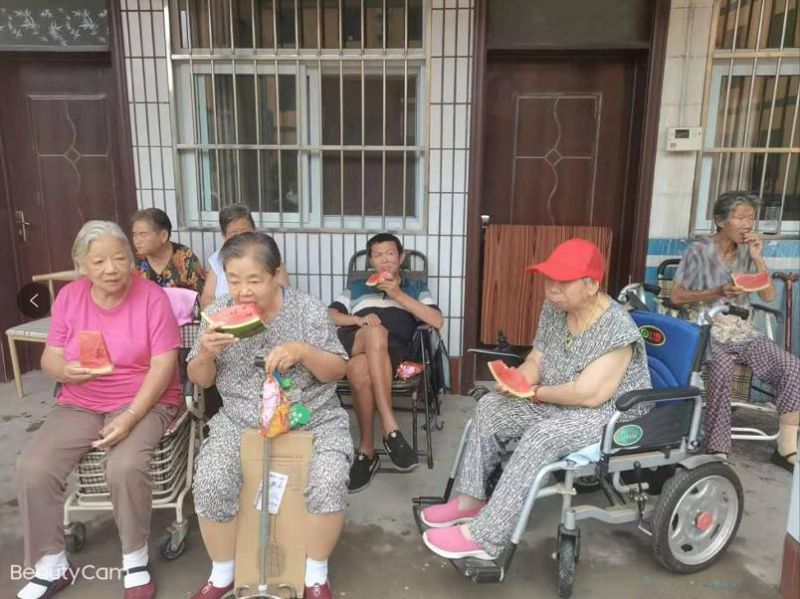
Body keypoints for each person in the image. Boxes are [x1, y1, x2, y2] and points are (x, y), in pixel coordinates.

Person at [420, 238, 651, 561]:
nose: (552, 288)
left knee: (541, 437)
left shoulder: (617, 329)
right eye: (549, 279)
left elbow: (589, 394)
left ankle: (486, 537)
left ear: (591, 285)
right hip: (558, 399)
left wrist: (534, 392)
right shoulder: (555, 308)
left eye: (563, 281)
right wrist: (520, 378)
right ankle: (470, 501)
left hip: (608, 413)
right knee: (491, 406)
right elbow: (537, 357)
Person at [15, 221, 182, 599]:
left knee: (125, 466)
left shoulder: (152, 298)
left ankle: (134, 558)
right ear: (82, 265)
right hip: (81, 400)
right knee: (33, 468)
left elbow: (164, 365)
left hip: (144, 400)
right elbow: (50, 357)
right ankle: (51, 563)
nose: (111, 269)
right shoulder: (70, 297)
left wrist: (132, 416)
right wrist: (63, 371)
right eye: (99, 261)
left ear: (131, 260)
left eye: (119, 258)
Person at [186, 232, 351, 599]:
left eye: (254, 280)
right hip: (241, 420)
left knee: (328, 480)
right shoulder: (218, 314)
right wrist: (207, 353)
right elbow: (200, 378)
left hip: (312, 417)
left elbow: (338, 370)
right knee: (211, 480)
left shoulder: (308, 310)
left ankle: (315, 575)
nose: (242, 291)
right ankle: (222, 573)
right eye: (234, 280)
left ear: (277, 274)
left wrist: (303, 351)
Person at [670, 191, 799, 471]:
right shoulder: (698, 252)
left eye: (751, 218)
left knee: (792, 368)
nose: (747, 224)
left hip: (743, 332)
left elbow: (768, 296)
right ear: (720, 221)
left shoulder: (747, 252)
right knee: (721, 370)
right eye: (740, 217)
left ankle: (786, 447)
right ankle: (718, 447)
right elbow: (676, 297)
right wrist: (717, 291)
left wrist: (758, 258)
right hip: (707, 329)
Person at [328, 233, 443, 491]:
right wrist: (358, 320)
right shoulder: (357, 288)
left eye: (390, 254)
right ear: (371, 261)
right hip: (355, 340)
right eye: (378, 255)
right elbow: (330, 314)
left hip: (392, 354)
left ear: (401, 257)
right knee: (374, 332)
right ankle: (390, 428)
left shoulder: (416, 289)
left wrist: (398, 295)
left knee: (359, 368)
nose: (384, 260)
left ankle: (367, 452)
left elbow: (437, 321)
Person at [199, 203, 289, 308]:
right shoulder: (217, 259)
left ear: (254, 231)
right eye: (233, 234)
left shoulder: (267, 254)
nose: (240, 238)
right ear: (224, 236)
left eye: (245, 232)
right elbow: (206, 300)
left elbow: (284, 296)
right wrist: (231, 311)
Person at [132, 207, 206, 292]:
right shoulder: (135, 262)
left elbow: (202, 294)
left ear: (163, 235)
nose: (137, 241)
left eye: (143, 234)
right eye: (135, 235)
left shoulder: (185, 257)